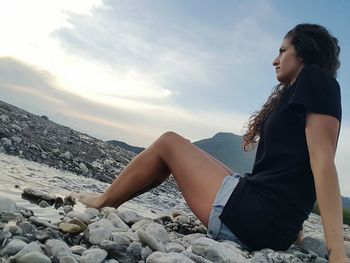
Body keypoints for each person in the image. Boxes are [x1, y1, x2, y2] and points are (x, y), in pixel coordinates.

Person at [72, 24, 350, 262]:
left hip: (257, 220)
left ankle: (103, 201)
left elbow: (322, 164)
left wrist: (336, 252)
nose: (275, 60)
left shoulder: (316, 80)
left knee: (169, 142)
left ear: (303, 52)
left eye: (282, 51)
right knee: (193, 156)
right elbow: (292, 171)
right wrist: (296, 231)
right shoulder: (299, 92)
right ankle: (108, 202)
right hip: (269, 218)